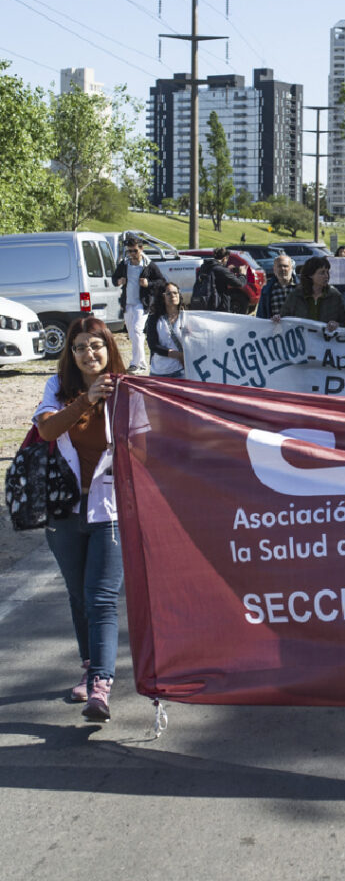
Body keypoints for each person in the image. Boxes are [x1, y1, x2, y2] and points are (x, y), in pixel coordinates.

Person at [34, 316, 126, 722]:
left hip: (112, 510)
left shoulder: (129, 389)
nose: (88, 353)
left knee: (101, 598)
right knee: (78, 595)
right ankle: (89, 667)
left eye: (96, 345)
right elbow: (48, 431)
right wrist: (86, 399)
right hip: (65, 511)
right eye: (79, 347)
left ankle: (101, 686)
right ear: (70, 354)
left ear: (109, 348)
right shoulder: (58, 388)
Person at [112, 235, 164, 374]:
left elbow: (161, 282)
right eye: (129, 251)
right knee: (134, 334)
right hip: (128, 304)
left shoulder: (148, 265)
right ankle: (140, 362)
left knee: (136, 330)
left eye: (134, 251)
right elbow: (114, 278)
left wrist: (149, 284)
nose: (132, 254)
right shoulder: (125, 264)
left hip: (142, 304)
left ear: (141, 249)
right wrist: (119, 281)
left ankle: (137, 364)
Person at [277, 256, 345, 330]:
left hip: (326, 340)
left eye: (327, 272)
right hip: (302, 340)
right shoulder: (295, 296)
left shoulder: (335, 296)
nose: (326, 276)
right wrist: (277, 318)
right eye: (322, 273)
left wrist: (337, 325)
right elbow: (283, 320)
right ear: (310, 275)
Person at [145, 282, 186, 378]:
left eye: (175, 293)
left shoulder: (186, 317)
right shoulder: (154, 318)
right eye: (168, 293)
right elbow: (153, 345)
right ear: (162, 297)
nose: (173, 295)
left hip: (180, 371)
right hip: (158, 372)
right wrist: (178, 355)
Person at [194, 248, 248, 313]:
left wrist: (227, 270)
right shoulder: (220, 270)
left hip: (203, 303)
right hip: (218, 306)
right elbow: (239, 283)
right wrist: (242, 274)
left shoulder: (204, 267)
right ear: (224, 258)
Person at [256, 253, 298, 319]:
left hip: (298, 328)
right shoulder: (267, 291)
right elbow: (261, 316)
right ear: (274, 270)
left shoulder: (301, 288)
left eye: (285, 266)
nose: (282, 269)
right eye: (279, 266)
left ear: (291, 268)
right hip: (276, 328)